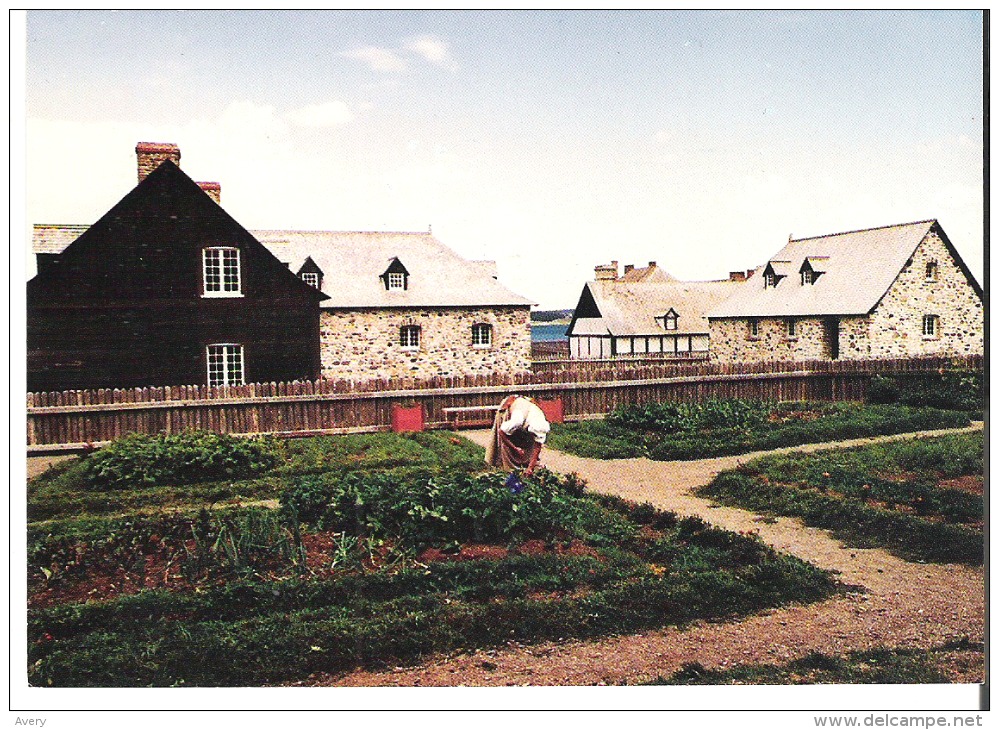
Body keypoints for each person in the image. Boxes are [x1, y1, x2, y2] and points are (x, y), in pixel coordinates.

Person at [485, 395, 550, 476]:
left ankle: (528, 468)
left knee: (528, 446)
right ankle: (508, 471)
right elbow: (501, 432)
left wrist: (530, 468)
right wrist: (515, 448)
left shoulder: (540, 424)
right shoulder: (517, 420)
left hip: (525, 409)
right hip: (511, 408)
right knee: (507, 448)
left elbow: (537, 447)